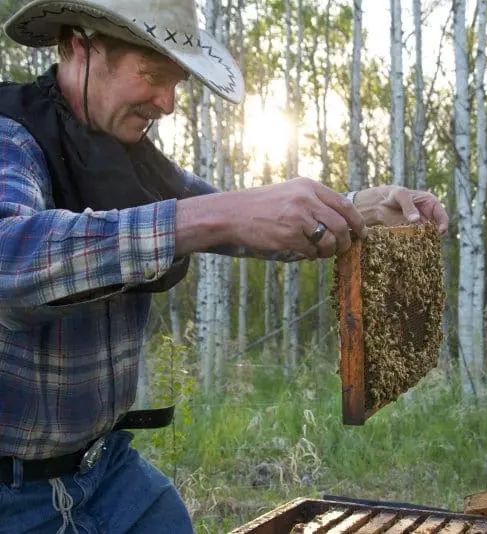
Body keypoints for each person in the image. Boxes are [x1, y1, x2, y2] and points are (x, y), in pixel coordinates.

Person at [0, 0, 449, 532]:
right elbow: (11, 261)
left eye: (177, 83)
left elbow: (243, 218)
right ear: (79, 45)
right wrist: (216, 217)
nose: (167, 102)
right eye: (153, 76)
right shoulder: (13, 136)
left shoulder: (128, 155)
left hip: (107, 469)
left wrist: (362, 207)